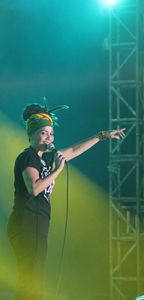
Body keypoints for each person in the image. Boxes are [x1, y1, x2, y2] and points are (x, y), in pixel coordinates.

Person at [7, 103, 125, 300]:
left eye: (51, 134)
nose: (49, 138)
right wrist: (57, 170)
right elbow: (34, 188)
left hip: (37, 225)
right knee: (30, 277)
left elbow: (75, 149)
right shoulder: (27, 157)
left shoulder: (48, 158)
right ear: (32, 134)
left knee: (34, 276)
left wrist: (102, 135)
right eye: (44, 133)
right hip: (26, 224)